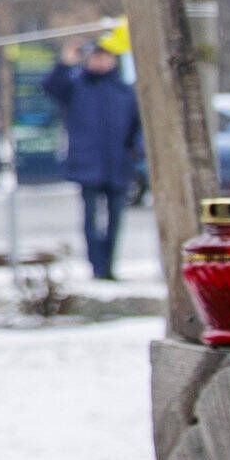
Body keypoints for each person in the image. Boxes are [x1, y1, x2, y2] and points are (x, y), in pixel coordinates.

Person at [46, 42, 145, 281]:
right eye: (96, 58)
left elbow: (136, 126)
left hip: (117, 164)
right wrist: (64, 63)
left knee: (115, 220)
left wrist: (136, 151)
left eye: (105, 57)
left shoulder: (123, 90)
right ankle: (97, 265)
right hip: (87, 163)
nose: (100, 62)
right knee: (90, 220)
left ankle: (108, 264)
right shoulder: (77, 86)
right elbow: (51, 87)